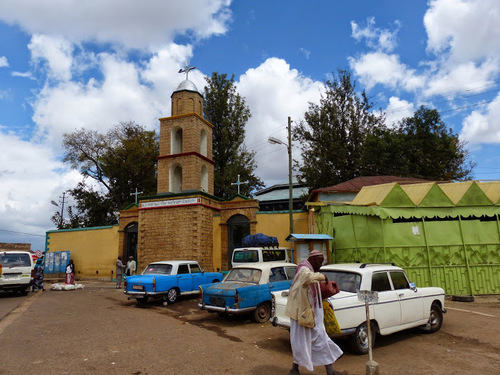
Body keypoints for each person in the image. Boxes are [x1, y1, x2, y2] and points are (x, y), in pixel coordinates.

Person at [285, 250, 346, 375]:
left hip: (313, 316)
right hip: (302, 316)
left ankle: (330, 371)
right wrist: (324, 277)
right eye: (319, 262)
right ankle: (295, 369)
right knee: (302, 342)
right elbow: (309, 278)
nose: (320, 265)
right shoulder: (304, 269)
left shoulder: (310, 269)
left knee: (320, 341)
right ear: (312, 260)